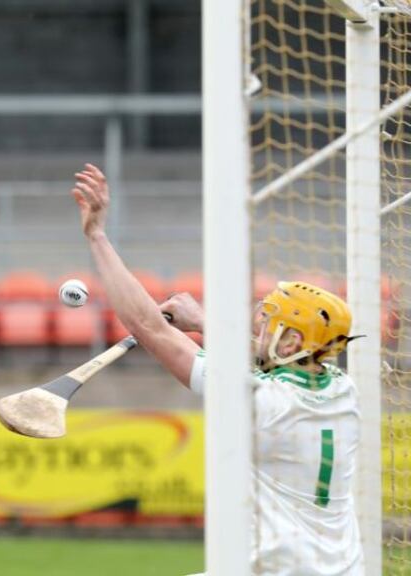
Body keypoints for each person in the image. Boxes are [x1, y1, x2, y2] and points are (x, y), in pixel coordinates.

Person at [70, 163, 363, 575]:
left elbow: (148, 327)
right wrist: (205, 323)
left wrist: (96, 235)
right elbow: (264, 360)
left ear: (293, 342)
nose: (256, 322)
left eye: (268, 320)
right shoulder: (340, 388)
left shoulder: (259, 402)